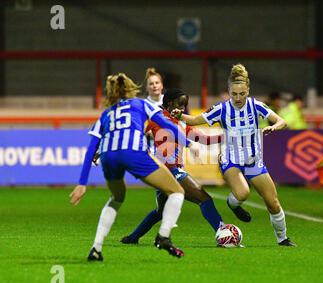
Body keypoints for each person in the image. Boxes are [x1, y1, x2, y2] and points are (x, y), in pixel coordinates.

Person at [69, 73, 199, 261]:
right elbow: (165, 124)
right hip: (133, 152)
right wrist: (189, 144)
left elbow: (91, 148)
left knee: (117, 197)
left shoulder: (106, 114)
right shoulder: (141, 104)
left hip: (109, 156)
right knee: (177, 192)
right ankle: (163, 236)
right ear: (131, 89)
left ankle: (96, 248)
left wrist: (82, 183)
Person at [172, 64, 296, 247]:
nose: (238, 98)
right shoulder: (221, 109)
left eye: (242, 94)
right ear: (229, 91)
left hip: (254, 160)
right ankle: (234, 204)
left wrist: (273, 127)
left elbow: (281, 121)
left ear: (248, 91)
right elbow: (195, 120)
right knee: (243, 192)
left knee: (273, 203)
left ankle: (283, 238)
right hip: (230, 159)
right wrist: (179, 115)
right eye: (234, 94)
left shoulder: (256, 106)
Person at [121, 88, 225, 244]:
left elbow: (204, 139)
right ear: (169, 103)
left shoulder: (182, 123)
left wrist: (226, 136)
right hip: (169, 169)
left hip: (163, 171)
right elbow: (139, 132)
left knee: (161, 211)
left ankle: (133, 238)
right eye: (180, 104)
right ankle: (223, 233)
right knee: (203, 198)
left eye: (185, 105)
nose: (183, 108)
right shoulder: (158, 119)